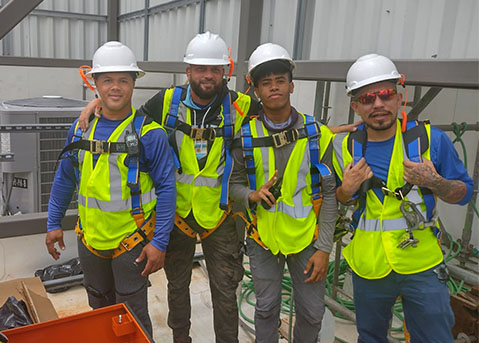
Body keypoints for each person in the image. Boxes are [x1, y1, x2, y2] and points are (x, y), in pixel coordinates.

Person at [79, 31, 259, 343]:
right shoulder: (166, 102)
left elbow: (278, 116)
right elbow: (124, 114)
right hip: (178, 216)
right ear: (188, 71)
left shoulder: (243, 107)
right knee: (177, 286)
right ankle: (181, 340)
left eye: (214, 69)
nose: (207, 75)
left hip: (221, 215)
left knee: (225, 288)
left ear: (225, 72)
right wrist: (97, 100)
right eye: (200, 69)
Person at [332, 53, 474, 343]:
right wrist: (346, 190)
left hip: (421, 264)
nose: (379, 104)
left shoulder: (431, 141)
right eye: (368, 99)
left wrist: (436, 183)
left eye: (385, 95)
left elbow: (464, 193)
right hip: (369, 265)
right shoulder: (347, 146)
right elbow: (341, 200)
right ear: (356, 106)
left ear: (400, 98)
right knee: (370, 337)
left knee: (434, 337)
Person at [45, 41, 176, 337]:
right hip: (90, 239)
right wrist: (53, 223)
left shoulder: (149, 134)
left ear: (133, 84)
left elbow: (167, 190)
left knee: (131, 312)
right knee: (99, 307)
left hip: (131, 241)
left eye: (123, 80)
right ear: (95, 83)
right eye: (107, 80)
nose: (115, 88)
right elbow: (66, 178)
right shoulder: (80, 128)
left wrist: (160, 243)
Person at [230, 43, 338, 343]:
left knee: (312, 312)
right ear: (256, 90)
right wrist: (250, 196)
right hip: (262, 238)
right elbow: (232, 185)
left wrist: (324, 247)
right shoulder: (247, 136)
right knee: (265, 308)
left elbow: (329, 194)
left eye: (280, 80)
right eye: (266, 83)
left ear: (291, 85)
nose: (274, 87)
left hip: (307, 239)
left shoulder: (317, 134)